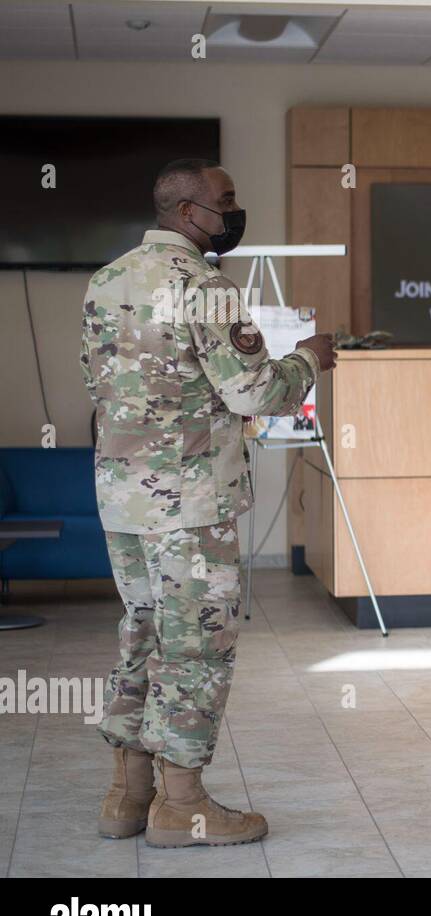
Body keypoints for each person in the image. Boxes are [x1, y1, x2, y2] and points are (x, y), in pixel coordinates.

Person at [85, 159, 336, 847]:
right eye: (225, 201)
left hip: (122, 500)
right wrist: (309, 358)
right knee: (195, 647)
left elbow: (101, 388)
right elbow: (255, 393)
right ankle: (183, 806)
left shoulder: (105, 283)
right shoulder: (207, 288)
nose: (233, 211)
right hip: (190, 505)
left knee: (143, 632)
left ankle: (126, 797)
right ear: (188, 212)